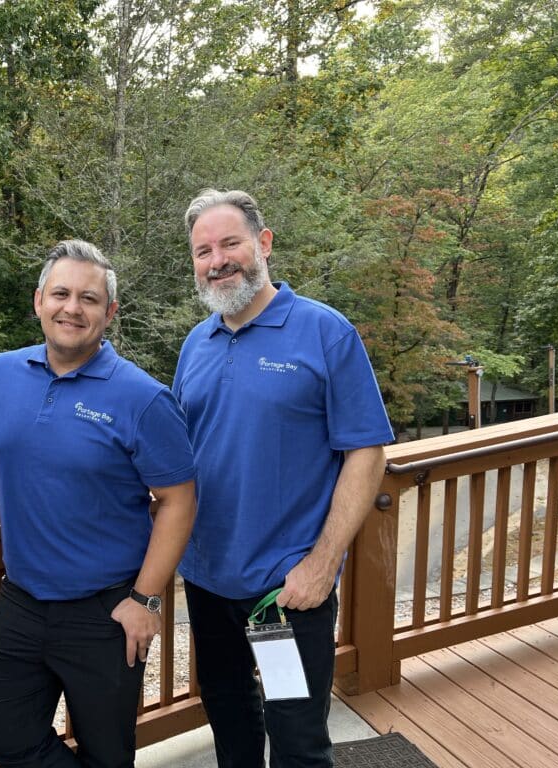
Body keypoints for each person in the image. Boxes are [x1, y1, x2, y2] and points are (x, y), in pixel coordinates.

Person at [0, 239, 196, 768]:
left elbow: (179, 501)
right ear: (39, 301)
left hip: (108, 611)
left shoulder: (142, 398)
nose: (72, 308)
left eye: (89, 299)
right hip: (22, 601)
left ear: (110, 313)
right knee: (1, 734)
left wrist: (147, 601)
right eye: (61, 294)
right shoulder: (0, 374)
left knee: (107, 752)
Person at [172, 189, 394, 768]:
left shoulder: (323, 332)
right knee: (232, 724)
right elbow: (181, 455)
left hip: (282, 592)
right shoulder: (197, 344)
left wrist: (321, 565)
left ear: (263, 244)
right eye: (203, 250)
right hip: (207, 582)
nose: (217, 260)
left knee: (296, 738)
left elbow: (366, 452)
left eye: (230, 243)